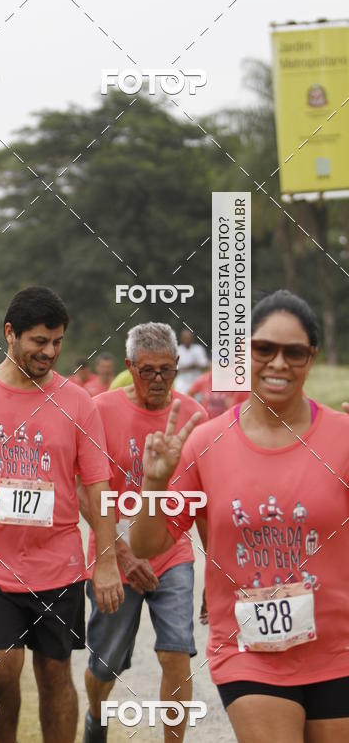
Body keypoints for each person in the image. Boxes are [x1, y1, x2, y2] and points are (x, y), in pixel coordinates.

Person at [131, 290, 349, 742]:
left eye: (294, 352)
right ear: (243, 353)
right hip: (249, 650)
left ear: (311, 358)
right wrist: (153, 484)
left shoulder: (343, 437)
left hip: (339, 649)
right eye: (264, 348)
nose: (278, 363)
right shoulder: (205, 442)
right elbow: (146, 544)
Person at [0, 286, 123, 743]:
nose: (50, 352)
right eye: (39, 341)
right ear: (10, 333)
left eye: (57, 342)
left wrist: (106, 561)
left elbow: (98, 487)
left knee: (55, 673)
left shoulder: (78, 402)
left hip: (58, 564)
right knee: (1, 669)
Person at [79, 323, 207, 743]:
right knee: (105, 664)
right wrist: (121, 554)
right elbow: (83, 489)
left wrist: (217, 572)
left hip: (172, 551)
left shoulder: (194, 417)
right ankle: (96, 717)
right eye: (147, 370)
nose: (157, 380)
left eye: (166, 370)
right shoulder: (99, 410)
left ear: (177, 366)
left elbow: (204, 498)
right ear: (130, 367)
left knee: (176, 652)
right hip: (113, 552)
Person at [174, 328, 208, 394]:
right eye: (185, 338)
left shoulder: (198, 349)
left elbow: (205, 365)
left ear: (192, 338)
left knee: (197, 399)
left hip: (196, 380)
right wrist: (193, 365)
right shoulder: (177, 350)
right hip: (182, 381)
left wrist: (192, 366)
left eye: (189, 338)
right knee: (181, 398)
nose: (187, 340)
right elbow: (176, 368)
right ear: (181, 339)